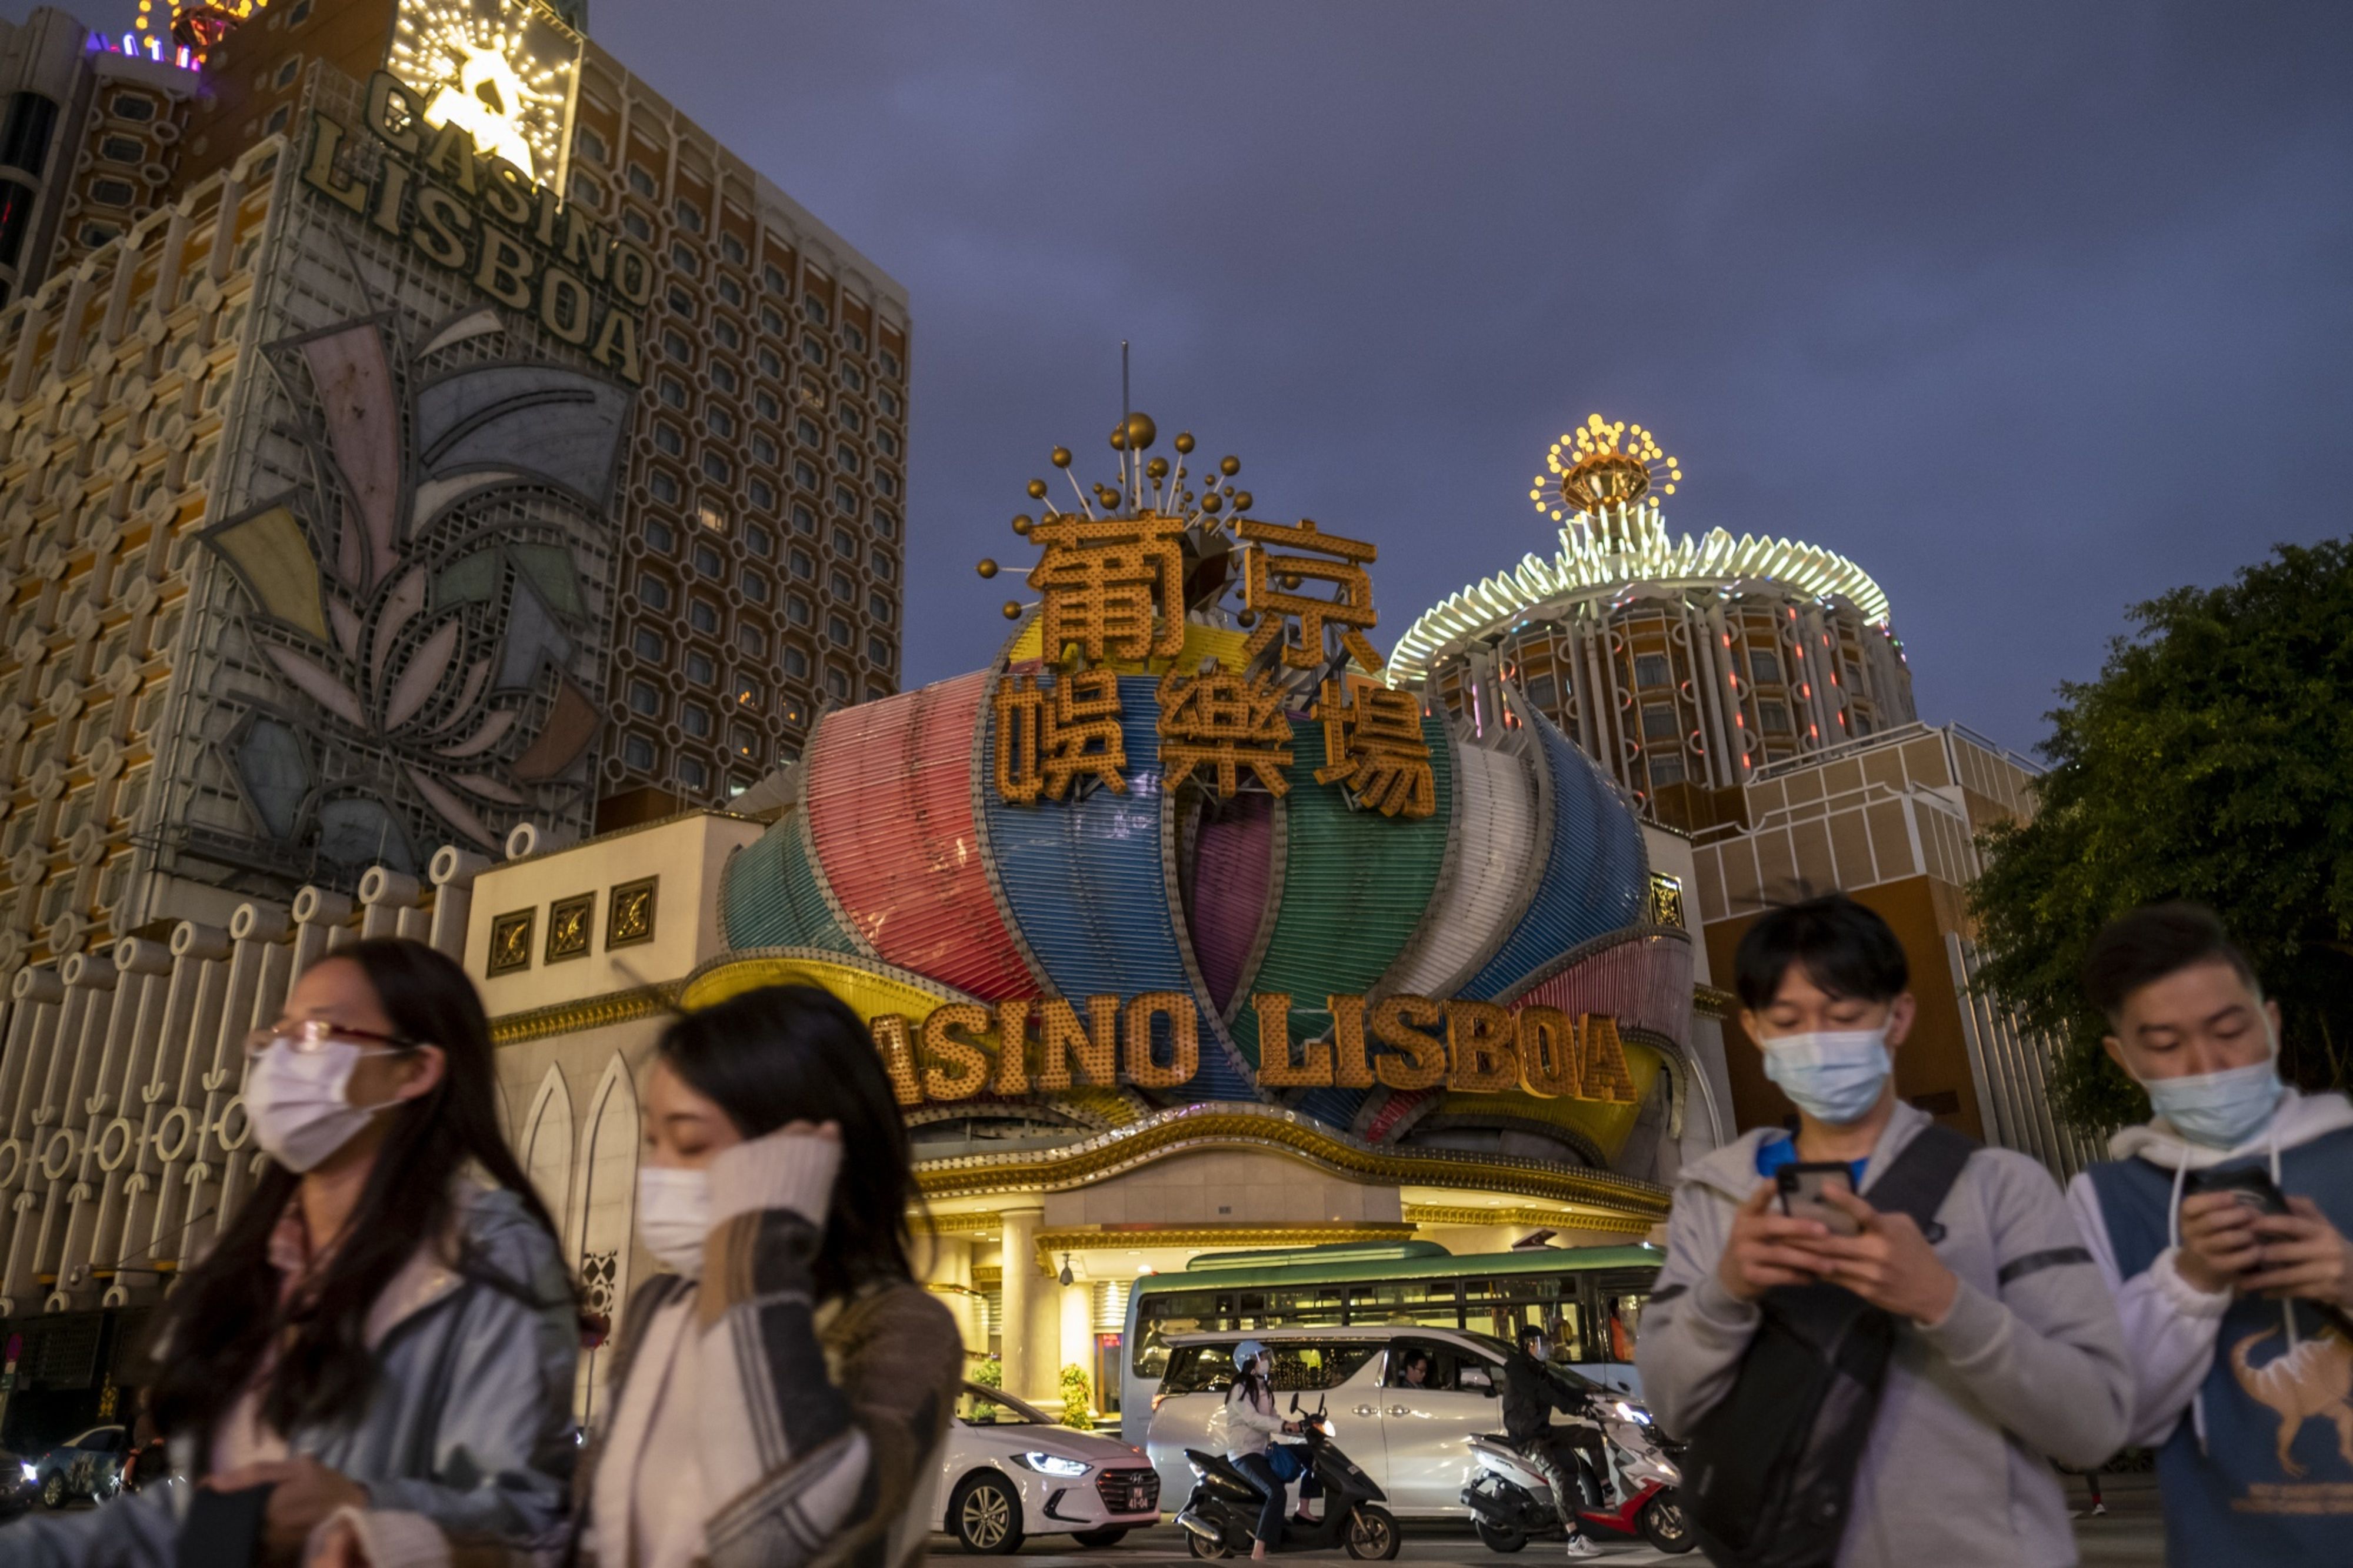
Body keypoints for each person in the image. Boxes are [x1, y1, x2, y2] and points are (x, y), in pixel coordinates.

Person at [0, 938, 578, 1568]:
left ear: (414, 1069)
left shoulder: (490, 1256)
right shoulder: (248, 1259)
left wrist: (362, 1507)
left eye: (316, 1031)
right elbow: (196, 1517)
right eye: (275, 1034)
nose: (280, 1056)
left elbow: (529, 1520)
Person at [1637, 893, 2132, 1566]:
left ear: (1897, 1016)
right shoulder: (1713, 1195)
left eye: (1843, 1017)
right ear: (1752, 1029)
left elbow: (2094, 1424)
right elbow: (1671, 1406)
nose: (1817, 1041)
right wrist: (1726, 1290)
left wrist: (1944, 1301)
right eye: (1788, 1020)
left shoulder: (2000, 1185)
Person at [580, 983, 964, 1568]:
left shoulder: (902, 1327)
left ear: (800, 1155)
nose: (658, 1173)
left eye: (689, 1142)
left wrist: (757, 1232)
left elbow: (772, 1535)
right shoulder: (659, 1306)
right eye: (655, 1141)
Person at [2068, 903, 2353, 1562]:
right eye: (2166, 1045)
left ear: (2271, 1022)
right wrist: (2190, 1279)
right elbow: (2115, 1417)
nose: (2205, 1062)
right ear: (2123, 1058)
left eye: (2229, 1029)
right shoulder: (2104, 1196)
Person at [1502, 1323, 1601, 1559]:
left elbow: (1560, 1387)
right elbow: (1543, 1393)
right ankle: (1574, 1539)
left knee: (1592, 1436)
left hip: (1543, 1431)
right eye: (1540, 1343)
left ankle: (1606, 1492)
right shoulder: (1518, 1370)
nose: (1545, 1347)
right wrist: (1573, 1407)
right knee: (1556, 1474)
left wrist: (1588, 1397)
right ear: (1528, 1346)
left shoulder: (1539, 1368)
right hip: (1526, 1436)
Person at [1219, 1340, 1301, 1559]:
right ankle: (1259, 1548)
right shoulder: (1240, 1389)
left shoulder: (1263, 1388)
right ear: (1249, 1362)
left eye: (1265, 1357)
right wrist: (1283, 1426)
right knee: (1276, 1492)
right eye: (1261, 1357)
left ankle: (1305, 1510)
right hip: (1244, 1453)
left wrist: (1300, 1430)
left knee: (1308, 1455)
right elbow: (1254, 1420)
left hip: (1263, 1450)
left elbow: (1272, 1419)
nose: (1266, 1361)